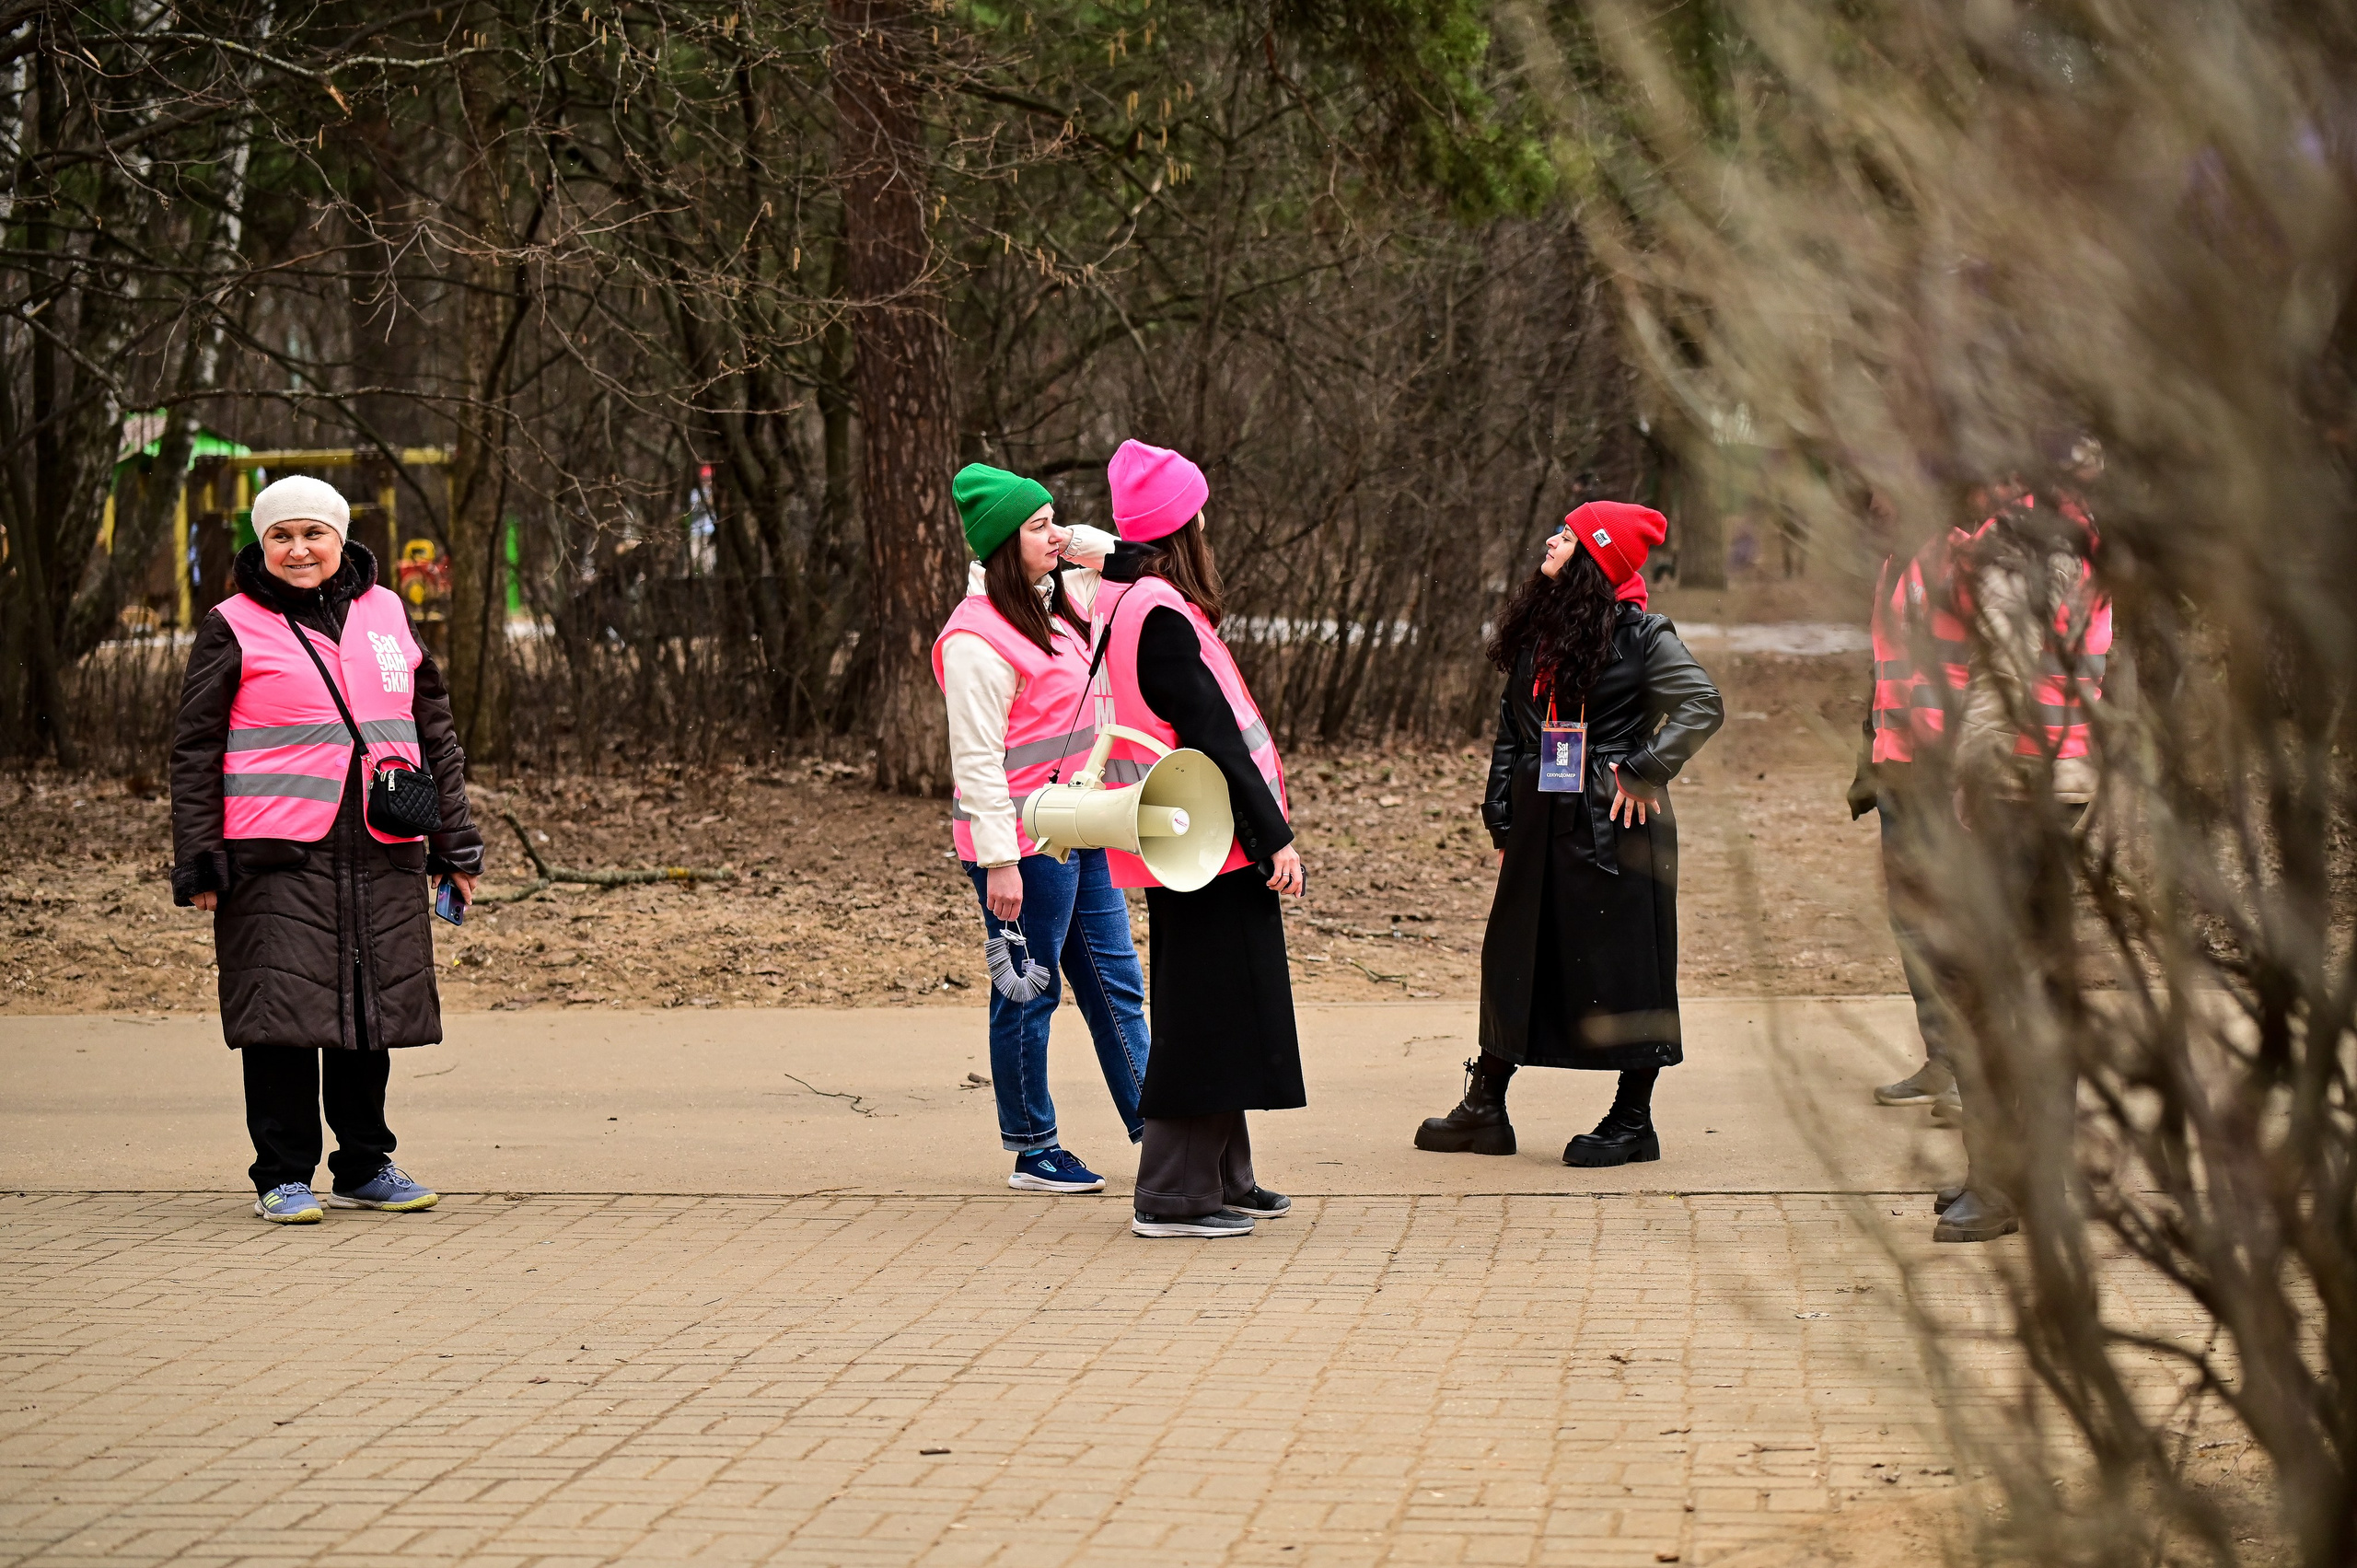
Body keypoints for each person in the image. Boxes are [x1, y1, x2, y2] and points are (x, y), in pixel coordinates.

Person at [169, 474, 483, 1223]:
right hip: (274, 850)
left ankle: (366, 1163)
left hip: (383, 842)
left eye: (313, 533)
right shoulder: (232, 622)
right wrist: (200, 856)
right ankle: (282, 1174)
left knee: (366, 1010)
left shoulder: (385, 612)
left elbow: (430, 728)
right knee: (281, 1014)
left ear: (340, 539)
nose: (298, 548)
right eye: (282, 535)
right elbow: (195, 746)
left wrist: (456, 846)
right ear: (262, 542)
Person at [1417, 502, 1724, 1165]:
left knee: (1628, 965)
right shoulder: (1542, 628)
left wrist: (1641, 770)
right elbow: (1513, 724)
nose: (1553, 538)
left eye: (1569, 533)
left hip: (1613, 823)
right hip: (1538, 820)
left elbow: (1703, 702)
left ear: (1595, 555)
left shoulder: (1643, 634)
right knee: (1514, 955)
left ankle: (1633, 1118)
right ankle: (1485, 1107)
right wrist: (1501, 810)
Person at [1092, 438, 1303, 1239]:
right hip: (1211, 841)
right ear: (1185, 526)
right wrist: (1275, 835)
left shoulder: (1130, 600)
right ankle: (1174, 1194)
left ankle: (1223, 1173)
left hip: (1188, 839)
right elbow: (1215, 734)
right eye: (1199, 508)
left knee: (1221, 1005)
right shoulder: (1164, 616)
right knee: (1210, 1013)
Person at [934, 461, 1152, 1193]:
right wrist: (999, 863)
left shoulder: (1062, 598)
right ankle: (1034, 1147)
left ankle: (1160, 1128)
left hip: (1081, 824)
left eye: (1053, 518)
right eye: (1035, 526)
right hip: (1022, 846)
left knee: (1117, 984)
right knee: (1029, 990)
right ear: (1000, 544)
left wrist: (1066, 536)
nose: (1053, 534)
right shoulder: (974, 638)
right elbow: (977, 763)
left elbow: (1142, 565)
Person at [1918, 483, 2109, 1244]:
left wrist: (1972, 778)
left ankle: (1995, 1184)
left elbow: (2001, 680)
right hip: (2066, 783)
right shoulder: (2079, 539)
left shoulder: (2014, 549)